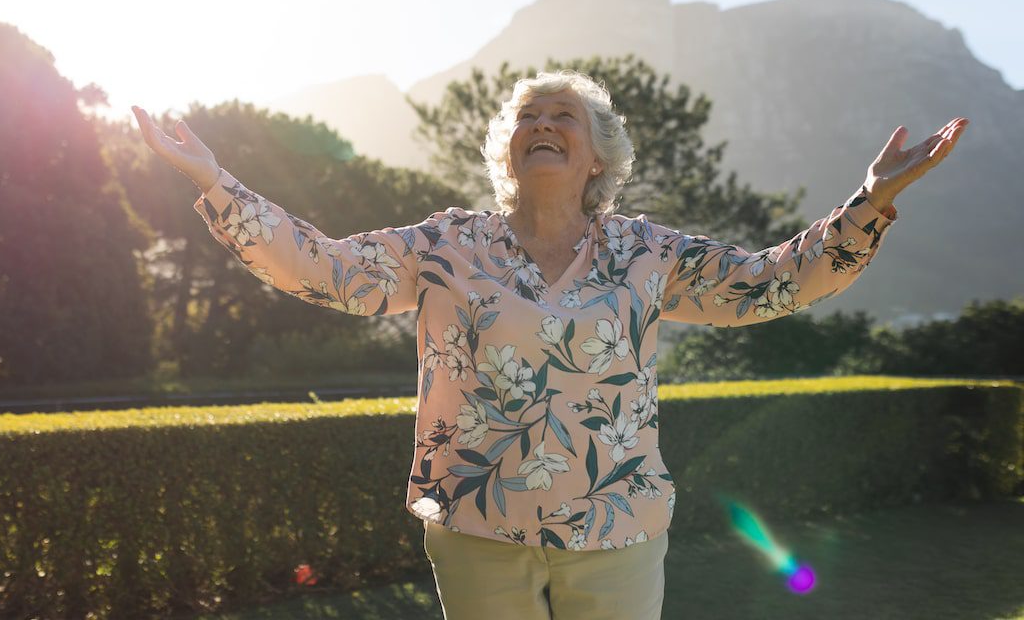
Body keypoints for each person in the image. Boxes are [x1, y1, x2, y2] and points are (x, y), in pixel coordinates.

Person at [132, 70, 967, 620]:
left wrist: (868, 204)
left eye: (562, 115)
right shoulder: (444, 247)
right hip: (475, 527)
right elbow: (326, 270)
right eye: (527, 116)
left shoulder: (647, 253)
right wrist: (216, 181)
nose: (541, 124)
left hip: (620, 532)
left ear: (598, 153)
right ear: (507, 150)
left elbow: (773, 282)